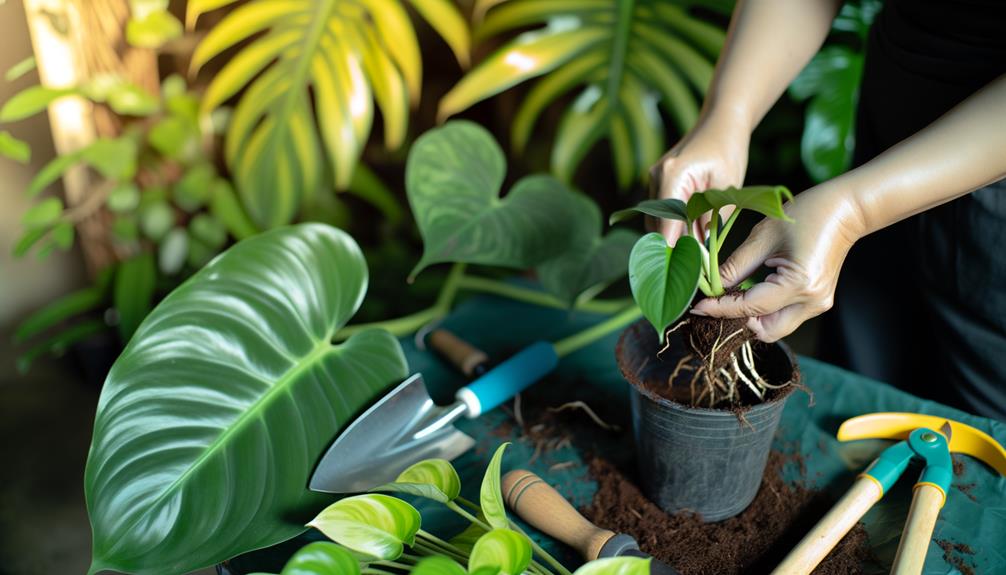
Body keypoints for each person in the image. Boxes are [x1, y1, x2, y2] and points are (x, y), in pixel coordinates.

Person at [651, 0, 1006, 420]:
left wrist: (854, 209)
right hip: (888, 131)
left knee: (983, 433)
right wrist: (728, 116)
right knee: (855, 392)